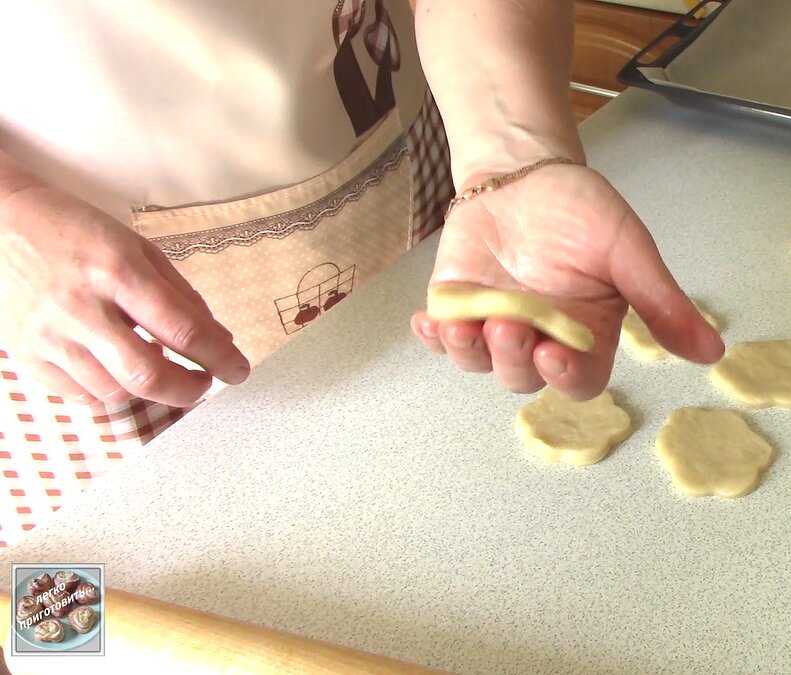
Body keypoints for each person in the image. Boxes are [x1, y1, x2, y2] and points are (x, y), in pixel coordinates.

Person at [0, 0, 724, 545]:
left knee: (421, 523)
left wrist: (511, 151)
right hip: (52, 288)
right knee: (83, 624)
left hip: (416, 179)